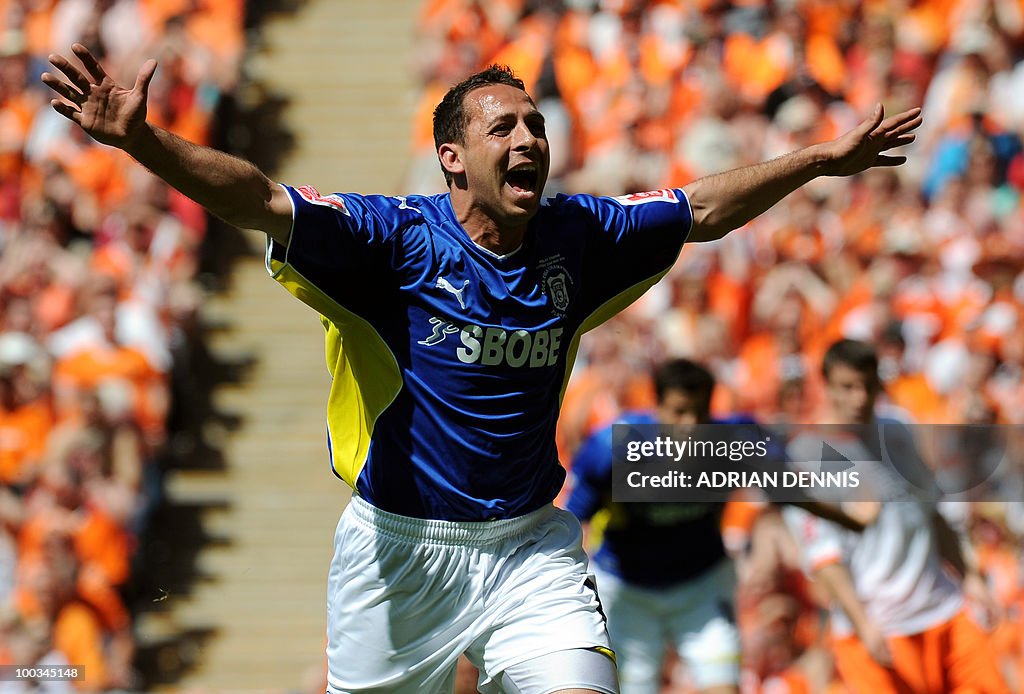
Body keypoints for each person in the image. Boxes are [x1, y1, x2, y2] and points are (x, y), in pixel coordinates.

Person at [41, 43, 922, 694]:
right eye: (503, 125)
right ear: (453, 157)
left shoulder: (581, 235)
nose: (529, 136)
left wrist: (816, 160)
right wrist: (147, 144)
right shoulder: (390, 241)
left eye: (536, 123)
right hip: (397, 555)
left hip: (528, 549)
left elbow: (700, 211)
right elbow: (260, 198)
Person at [781, 339, 1009, 694]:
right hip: (880, 625)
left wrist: (970, 578)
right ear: (825, 385)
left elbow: (931, 511)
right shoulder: (807, 454)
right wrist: (863, 624)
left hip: (942, 608)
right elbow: (824, 557)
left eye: (867, 386)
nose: (859, 398)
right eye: (847, 387)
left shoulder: (897, 430)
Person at [565, 359, 746, 694]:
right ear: (657, 406)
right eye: (679, 412)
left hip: (702, 585)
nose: (690, 426)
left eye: (700, 412)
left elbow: (791, 488)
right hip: (628, 590)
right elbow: (572, 518)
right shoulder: (613, 449)